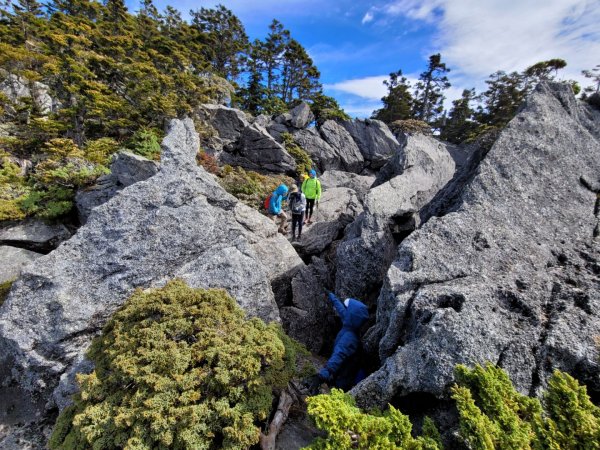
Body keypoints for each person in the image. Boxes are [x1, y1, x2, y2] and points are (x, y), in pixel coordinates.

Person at [303, 292, 369, 394]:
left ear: (351, 315)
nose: (345, 311)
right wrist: (331, 295)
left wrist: (321, 377)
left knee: (338, 390)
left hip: (345, 379)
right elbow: (341, 309)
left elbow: (337, 357)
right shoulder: (351, 324)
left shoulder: (349, 338)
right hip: (346, 372)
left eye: (348, 310)